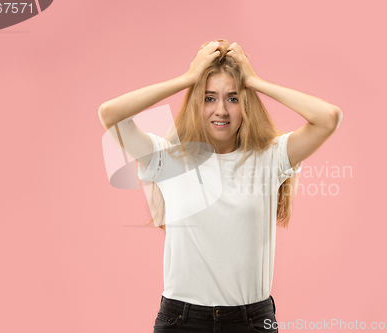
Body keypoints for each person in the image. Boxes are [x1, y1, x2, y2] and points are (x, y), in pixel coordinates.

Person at [98, 39, 342, 333]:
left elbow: (328, 118)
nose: (221, 110)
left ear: (246, 104)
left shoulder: (270, 157)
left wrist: (254, 80)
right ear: (196, 103)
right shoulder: (168, 159)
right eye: (209, 98)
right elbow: (110, 114)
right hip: (182, 321)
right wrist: (188, 78)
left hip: (251, 321)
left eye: (234, 98)